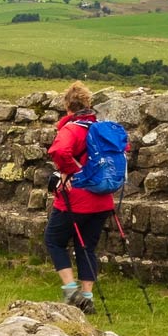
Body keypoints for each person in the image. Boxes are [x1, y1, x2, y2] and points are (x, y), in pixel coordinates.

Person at [44, 81, 120, 314]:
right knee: (86, 247)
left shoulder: (71, 129)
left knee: (53, 239)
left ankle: (71, 291)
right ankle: (88, 298)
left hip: (76, 199)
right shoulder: (102, 129)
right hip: (103, 199)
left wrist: (69, 171)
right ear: (88, 104)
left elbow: (59, 151)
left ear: (68, 106)